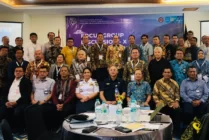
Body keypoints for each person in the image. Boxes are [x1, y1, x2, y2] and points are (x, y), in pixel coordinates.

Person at [0, 67, 32, 134]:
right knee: (2, 110)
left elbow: (26, 95)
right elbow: (4, 93)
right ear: (14, 73)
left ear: (23, 73)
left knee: (17, 111)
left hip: (20, 103)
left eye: (20, 71)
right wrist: (6, 102)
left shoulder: (26, 81)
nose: (18, 72)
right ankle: (6, 128)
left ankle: (18, 130)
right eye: (16, 71)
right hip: (8, 102)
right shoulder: (10, 81)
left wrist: (16, 102)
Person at [153, 67, 181, 137]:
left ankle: (175, 134)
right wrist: (157, 102)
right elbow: (155, 94)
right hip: (161, 102)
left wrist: (177, 102)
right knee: (154, 113)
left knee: (178, 111)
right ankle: (157, 133)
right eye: (165, 72)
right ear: (163, 73)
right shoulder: (158, 82)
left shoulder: (175, 83)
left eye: (168, 72)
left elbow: (177, 94)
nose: (167, 74)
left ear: (171, 74)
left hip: (172, 103)